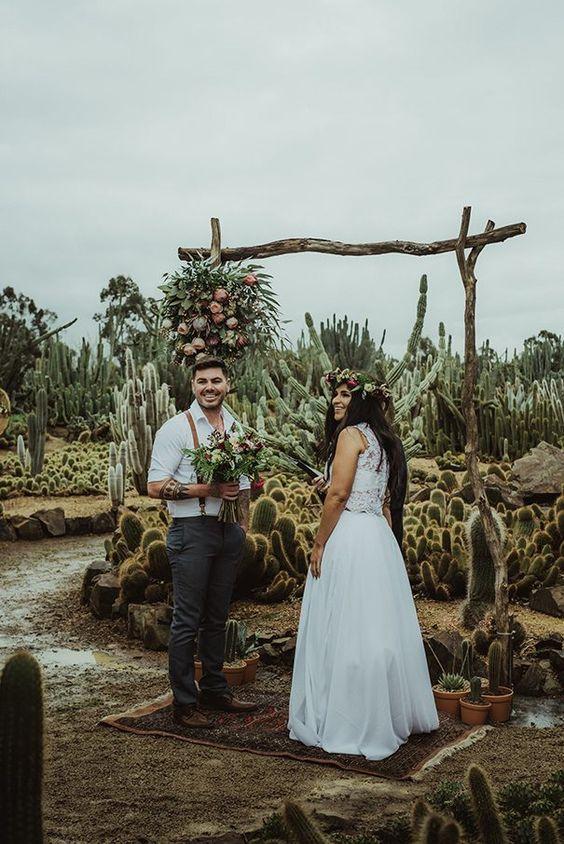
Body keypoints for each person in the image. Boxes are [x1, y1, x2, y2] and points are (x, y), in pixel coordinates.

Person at [288, 368, 438, 760]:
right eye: (334, 395)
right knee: (376, 627)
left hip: (351, 537)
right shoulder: (382, 440)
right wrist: (387, 545)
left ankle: (349, 717)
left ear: (362, 400)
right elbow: (380, 499)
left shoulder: (349, 435)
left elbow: (338, 496)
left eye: (344, 395)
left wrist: (320, 543)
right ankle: (385, 710)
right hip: (375, 536)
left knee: (344, 625)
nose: (337, 401)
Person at [147, 356, 258, 729]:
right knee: (187, 620)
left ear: (228, 384)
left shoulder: (237, 427)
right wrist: (206, 488)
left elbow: (243, 486)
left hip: (228, 534)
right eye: (202, 382)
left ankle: (214, 689)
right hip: (191, 530)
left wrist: (242, 528)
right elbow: (155, 486)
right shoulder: (176, 428)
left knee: (217, 617)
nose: (209, 387)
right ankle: (184, 702)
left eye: (216, 380)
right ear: (193, 386)